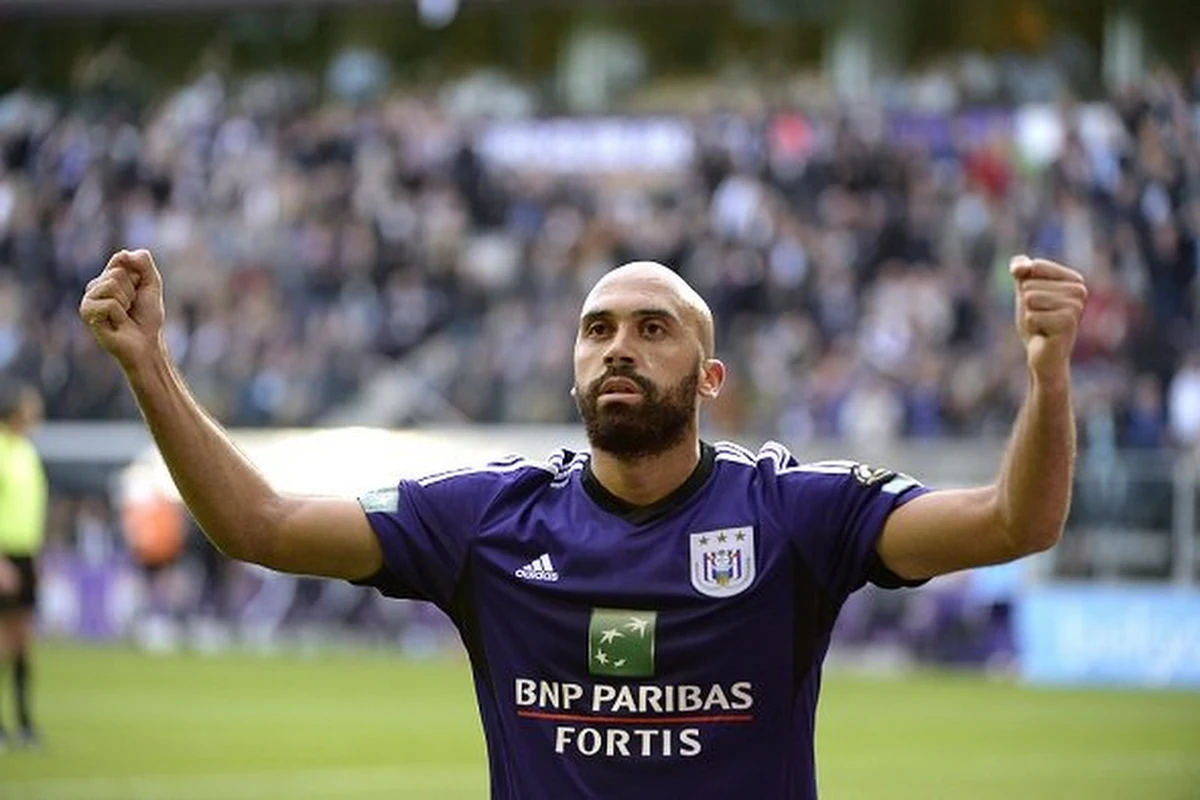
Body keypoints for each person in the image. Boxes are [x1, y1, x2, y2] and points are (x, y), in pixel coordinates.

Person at [80, 249, 1086, 798]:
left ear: (710, 377)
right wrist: (148, 365)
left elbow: (1015, 520)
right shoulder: (488, 517)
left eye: (654, 330)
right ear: (570, 367)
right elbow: (258, 522)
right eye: (598, 328)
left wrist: (1048, 377)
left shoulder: (792, 511)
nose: (619, 347)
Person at [0, 381, 48, 750]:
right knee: (5, 641)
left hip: (26, 555)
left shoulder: (27, 451)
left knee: (23, 644)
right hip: (4, 556)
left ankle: (24, 723)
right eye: (30, 407)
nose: (37, 413)